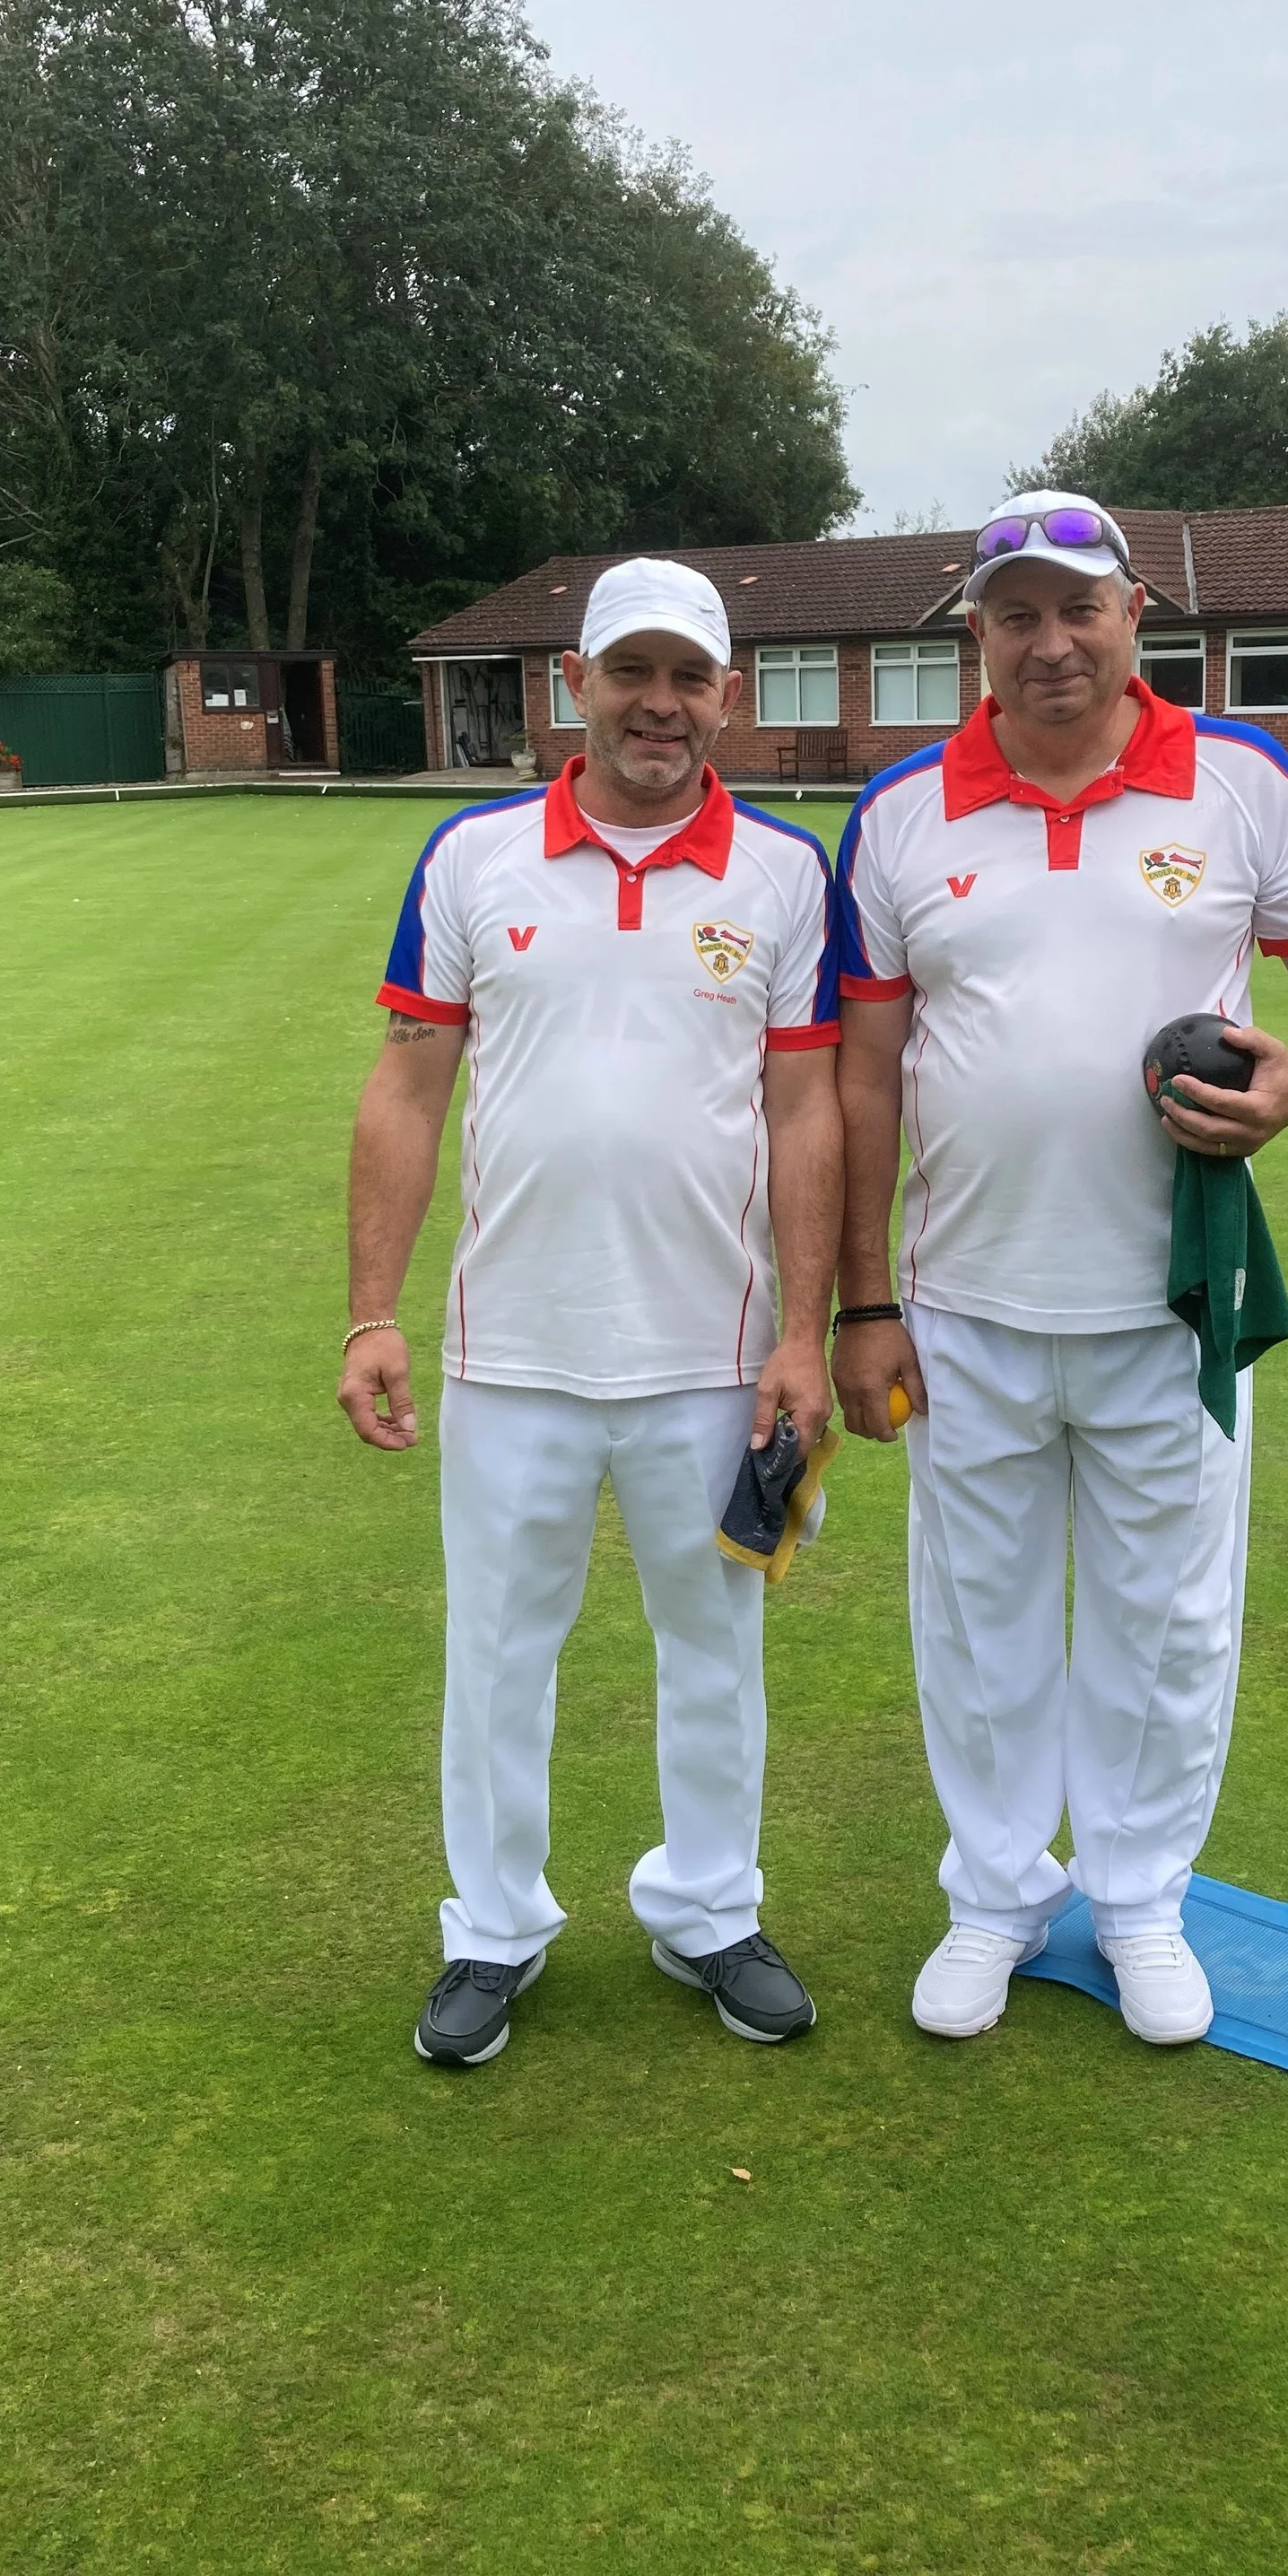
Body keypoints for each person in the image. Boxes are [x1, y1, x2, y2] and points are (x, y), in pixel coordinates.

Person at [831, 492, 1288, 2047]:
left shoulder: (1239, 780)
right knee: (978, 1618)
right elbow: (866, 1076)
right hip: (965, 1303)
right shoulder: (898, 814)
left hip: (1173, 1298)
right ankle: (995, 1896)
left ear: (1137, 610)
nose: (1050, 640)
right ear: (978, 636)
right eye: (1016, 613)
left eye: (1078, 606)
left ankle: (1139, 1897)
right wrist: (862, 1300)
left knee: (1169, 1617)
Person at [340, 557, 843, 2068]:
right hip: (516, 1355)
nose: (660, 704)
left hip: (718, 1361)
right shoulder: (473, 856)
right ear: (576, 683)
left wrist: (805, 1336)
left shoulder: (785, 873)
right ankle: (491, 1926)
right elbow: (406, 1088)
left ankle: (711, 1909)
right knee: (498, 1649)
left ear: (726, 696)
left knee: (719, 1643)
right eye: (632, 672)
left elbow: (809, 1108)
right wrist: (373, 1311)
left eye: (688, 677)